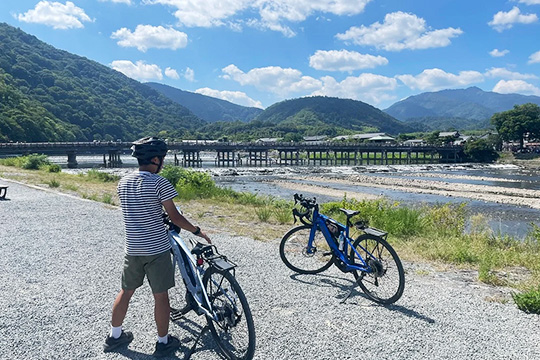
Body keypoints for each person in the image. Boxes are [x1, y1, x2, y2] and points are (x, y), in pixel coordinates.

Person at [103, 136, 210, 357]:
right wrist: (197, 231)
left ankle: (114, 336)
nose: (163, 163)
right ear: (155, 160)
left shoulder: (123, 182)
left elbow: (141, 209)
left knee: (126, 291)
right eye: (162, 159)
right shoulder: (159, 183)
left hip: (132, 249)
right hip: (156, 250)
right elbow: (176, 218)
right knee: (160, 296)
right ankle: (163, 342)